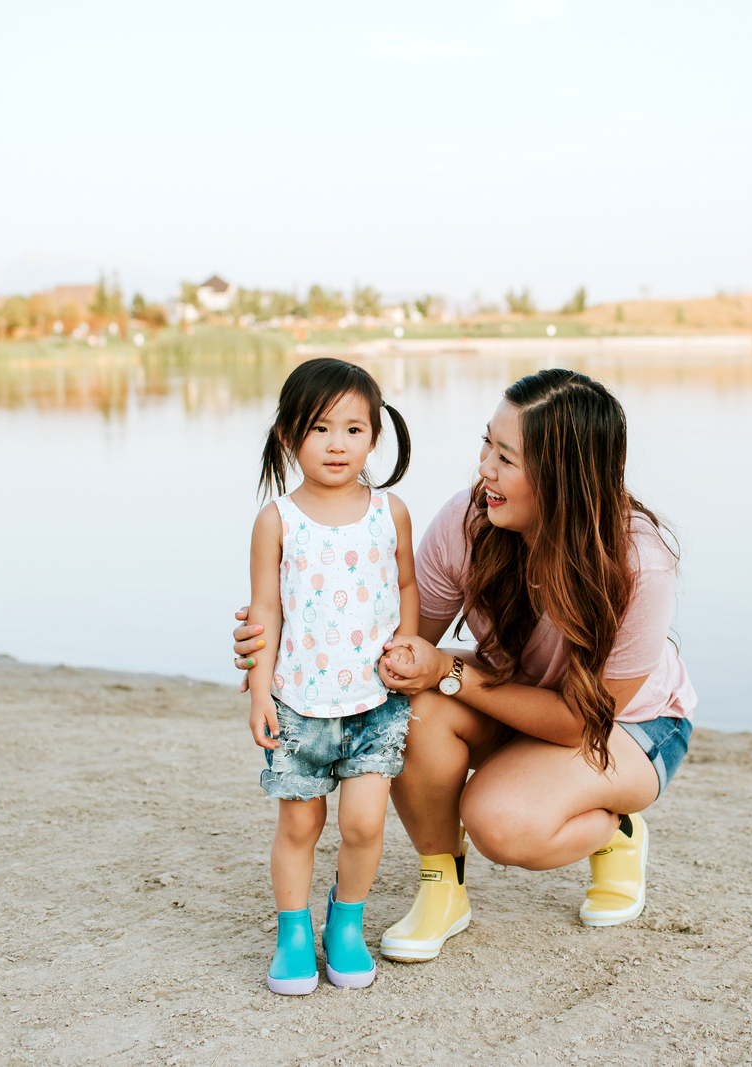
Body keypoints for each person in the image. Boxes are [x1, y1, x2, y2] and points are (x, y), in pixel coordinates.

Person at [233, 367, 695, 965]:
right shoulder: (470, 519)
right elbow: (396, 647)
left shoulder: (639, 562)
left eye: (507, 457)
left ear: (564, 476)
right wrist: (280, 646)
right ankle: (442, 887)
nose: (485, 469)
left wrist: (452, 673)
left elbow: (580, 723)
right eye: (487, 444)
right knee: (406, 696)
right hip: (514, 691)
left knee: (500, 823)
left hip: (627, 726)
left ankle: (618, 831)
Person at [240, 357, 418, 995]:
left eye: (354, 429)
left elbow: (404, 587)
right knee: (298, 825)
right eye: (320, 428)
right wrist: (259, 691)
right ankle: (292, 933)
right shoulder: (276, 520)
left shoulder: (389, 512)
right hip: (298, 704)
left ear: (375, 435)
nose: (337, 444)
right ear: (290, 434)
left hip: (374, 704)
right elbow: (265, 610)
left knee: (364, 823)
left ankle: (345, 925)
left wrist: (409, 649)